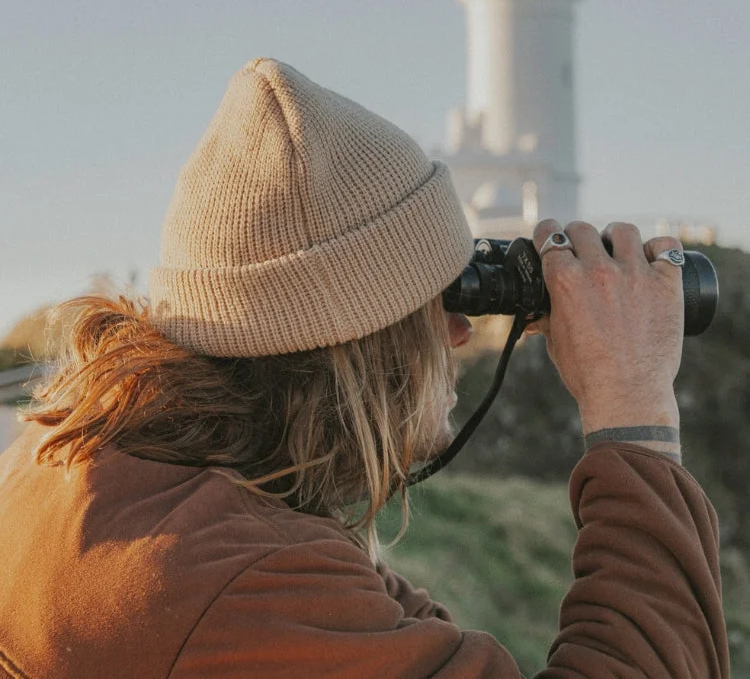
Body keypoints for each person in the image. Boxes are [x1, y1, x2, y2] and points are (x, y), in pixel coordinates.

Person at [0, 59, 728, 678]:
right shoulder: (242, 581)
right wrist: (632, 403)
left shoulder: (81, 455)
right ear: (357, 338)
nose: (461, 329)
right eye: (434, 301)